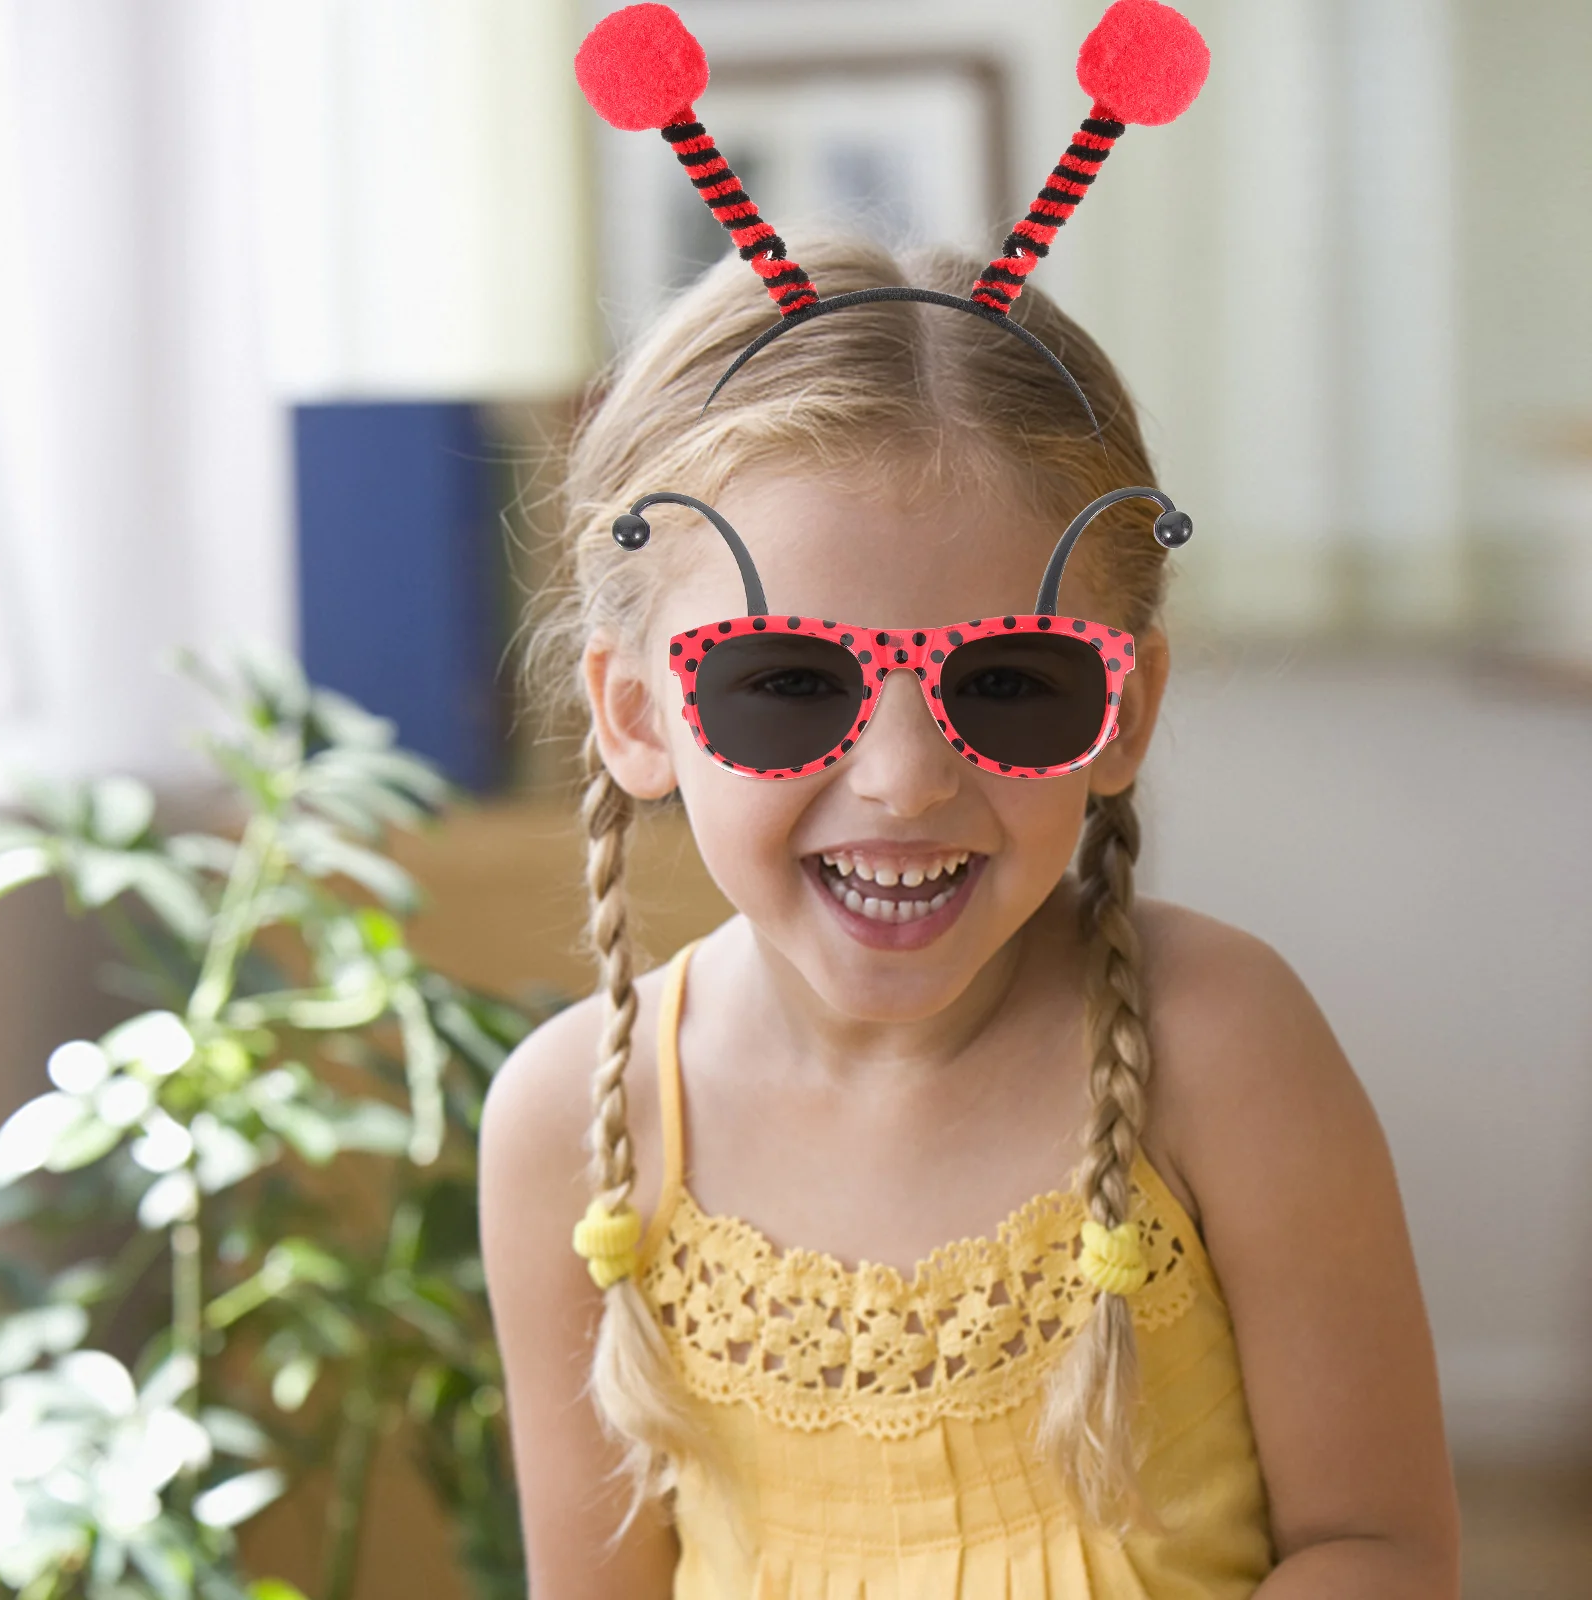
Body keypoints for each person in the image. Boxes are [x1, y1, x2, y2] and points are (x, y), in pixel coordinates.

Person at [479, 5, 1462, 1596]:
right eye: (788, 680)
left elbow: (1380, 1542)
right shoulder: (567, 1130)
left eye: (1008, 681)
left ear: (1121, 709)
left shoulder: (1226, 1047)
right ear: (641, 713)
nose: (903, 774)